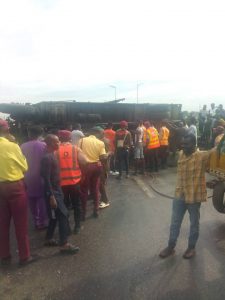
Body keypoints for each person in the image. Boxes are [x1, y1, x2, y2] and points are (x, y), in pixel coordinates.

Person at [159, 133, 214, 259]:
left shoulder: (202, 156)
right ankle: (171, 247)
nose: (183, 146)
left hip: (194, 197)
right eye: (182, 144)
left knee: (194, 223)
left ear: (194, 144)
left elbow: (216, 150)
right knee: (175, 222)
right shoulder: (180, 155)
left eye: (186, 144)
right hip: (179, 195)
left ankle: (191, 248)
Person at [0, 119, 36, 266]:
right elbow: (24, 166)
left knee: (2, 224)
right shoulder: (12, 146)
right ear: (6, 130)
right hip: (14, 187)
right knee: (20, 224)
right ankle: (24, 256)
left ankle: (4, 255)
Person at [41, 134, 79, 254]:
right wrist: (51, 196)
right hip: (53, 192)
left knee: (54, 216)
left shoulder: (52, 154)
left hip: (57, 189)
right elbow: (46, 179)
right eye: (56, 142)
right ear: (50, 144)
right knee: (63, 214)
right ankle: (64, 244)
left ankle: (48, 238)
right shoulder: (47, 158)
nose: (59, 144)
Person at [57, 130, 88, 234]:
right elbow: (85, 161)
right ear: (70, 138)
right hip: (75, 182)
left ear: (59, 138)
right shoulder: (76, 149)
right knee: (77, 205)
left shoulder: (55, 150)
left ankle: (67, 228)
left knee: (64, 206)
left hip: (61, 184)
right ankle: (77, 226)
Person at [21, 126, 48, 230]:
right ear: (40, 134)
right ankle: (42, 221)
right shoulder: (44, 145)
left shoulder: (23, 146)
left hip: (27, 175)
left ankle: (36, 220)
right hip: (41, 175)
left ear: (29, 133)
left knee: (31, 198)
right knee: (41, 198)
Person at [79, 127, 108, 219]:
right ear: (97, 133)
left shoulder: (81, 141)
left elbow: (78, 154)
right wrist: (109, 153)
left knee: (84, 190)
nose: (102, 135)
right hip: (97, 166)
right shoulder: (100, 143)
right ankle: (96, 210)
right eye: (101, 133)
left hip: (85, 167)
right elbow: (103, 157)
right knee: (95, 188)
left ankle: (83, 214)